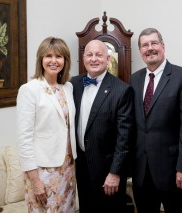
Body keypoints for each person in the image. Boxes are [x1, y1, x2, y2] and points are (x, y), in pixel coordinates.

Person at [130, 28, 182, 213]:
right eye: (144, 45)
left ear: (163, 46)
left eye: (154, 43)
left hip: (173, 172)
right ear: (140, 51)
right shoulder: (134, 80)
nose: (150, 48)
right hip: (141, 171)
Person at [70, 40, 134, 213]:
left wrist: (115, 173)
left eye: (99, 55)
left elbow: (124, 138)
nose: (94, 59)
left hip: (107, 172)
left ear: (108, 58)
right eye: (89, 55)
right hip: (81, 167)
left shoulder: (122, 90)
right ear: (83, 58)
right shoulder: (73, 85)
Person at [17, 37, 77, 213]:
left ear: (65, 61)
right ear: (40, 60)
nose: (53, 61)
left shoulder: (68, 88)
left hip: (67, 168)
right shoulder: (29, 90)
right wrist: (36, 181)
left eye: (59, 56)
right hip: (42, 171)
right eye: (48, 56)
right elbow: (24, 139)